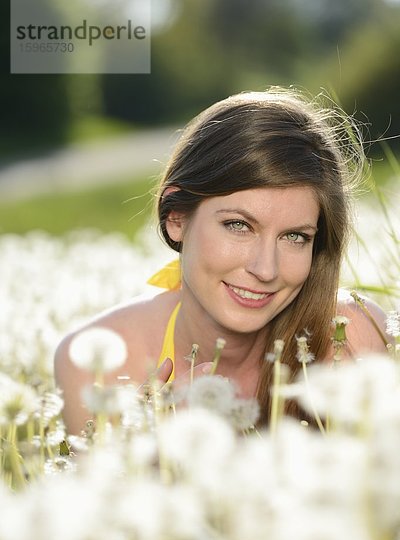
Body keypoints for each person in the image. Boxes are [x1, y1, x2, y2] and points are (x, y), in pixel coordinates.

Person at [55, 87, 390, 434]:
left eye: (295, 237)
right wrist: (153, 455)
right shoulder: (97, 367)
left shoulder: (352, 339)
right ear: (177, 218)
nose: (265, 269)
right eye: (238, 225)